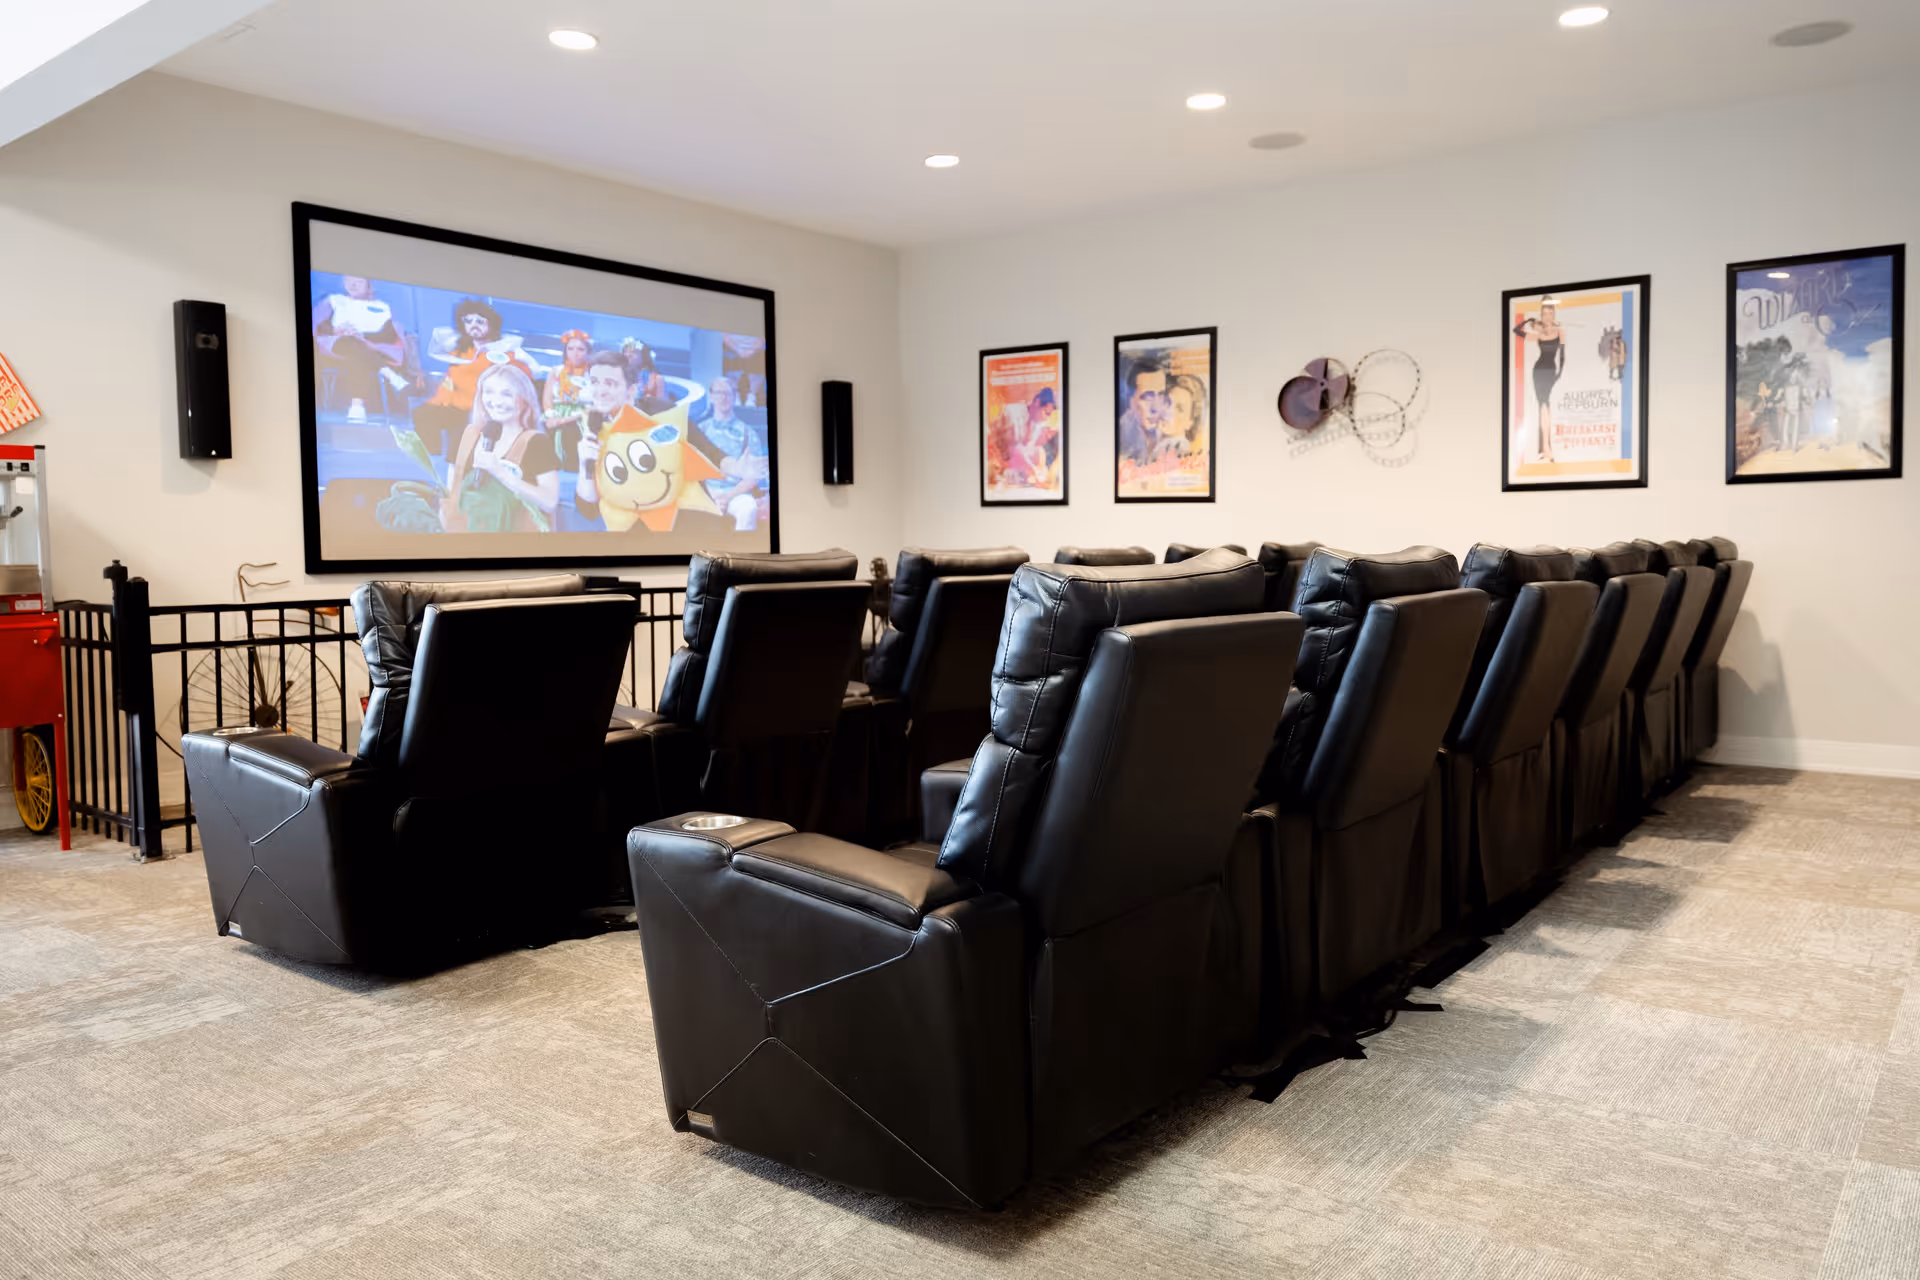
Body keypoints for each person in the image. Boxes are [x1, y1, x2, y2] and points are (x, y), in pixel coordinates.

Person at [572, 351, 730, 534]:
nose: (600, 391)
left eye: (610, 383)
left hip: (684, 530)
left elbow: (709, 451)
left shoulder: (660, 412)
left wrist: (739, 467)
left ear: (630, 390)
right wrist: (585, 466)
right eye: (595, 382)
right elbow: (588, 510)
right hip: (633, 536)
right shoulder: (593, 426)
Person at [440, 364, 560, 533]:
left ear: (524, 400)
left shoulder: (537, 443)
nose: (496, 401)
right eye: (488, 392)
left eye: (506, 394)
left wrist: (500, 473)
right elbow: (451, 492)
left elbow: (550, 502)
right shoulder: (463, 435)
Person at [412, 298, 532, 457]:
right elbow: (449, 381)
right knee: (423, 413)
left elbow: (523, 379)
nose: (473, 324)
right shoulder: (459, 352)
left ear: (491, 324)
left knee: (462, 434)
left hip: (485, 411)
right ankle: (433, 460)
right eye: (468, 321)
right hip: (455, 406)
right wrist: (440, 401)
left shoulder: (504, 351)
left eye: (480, 321)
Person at [312, 276, 406, 424]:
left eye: (359, 281)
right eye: (348, 280)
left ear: (369, 285)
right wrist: (336, 330)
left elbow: (388, 335)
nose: (353, 284)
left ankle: (357, 405)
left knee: (359, 351)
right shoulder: (334, 300)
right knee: (353, 344)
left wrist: (362, 335)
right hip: (339, 342)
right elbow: (317, 324)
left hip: (368, 346)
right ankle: (385, 370)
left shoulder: (382, 307)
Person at [699, 376, 770, 530]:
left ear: (734, 397)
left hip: (736, 493)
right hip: (705, 491)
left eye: (728, 393)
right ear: (711, 397)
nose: (723, 397)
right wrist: (710, 495)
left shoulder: (747, 433)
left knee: (748, 508)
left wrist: (727, 497)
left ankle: (744, 552)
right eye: (719, 393)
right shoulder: (700, 430)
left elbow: (753, 476)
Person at [1513, 302, 1566, 463]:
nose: (1547, 317)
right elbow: (1517, 331)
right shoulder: (1539, 335)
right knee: (1543, 405)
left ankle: (1546, 448)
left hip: (1551, 370)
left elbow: (1562, 356)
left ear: (1553, 315)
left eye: (1550, 314)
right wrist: (1528, 320)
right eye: (1544, 314)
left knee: (1546, 405)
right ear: (1541, 317)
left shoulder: (1560, 332)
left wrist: (1559, 374)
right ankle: (1545, 449)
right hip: (1538, 371)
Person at [1117, 359, 1169, 464]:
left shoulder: (1167, 432)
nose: (1156, 407)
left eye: (1161, 394)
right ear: (1130, 400)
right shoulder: (1120, 437)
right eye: (1147, 396)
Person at [542, 329, 593, 417]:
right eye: (570, 349)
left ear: (588, 352)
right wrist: (550, 415)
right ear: (565, 352)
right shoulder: (556, 371)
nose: (575, 353)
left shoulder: (593, 374)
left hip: (585, 418)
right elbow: (547, 399)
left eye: (580, 349)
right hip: (555, 416)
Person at [1161, 373, 1207, 459]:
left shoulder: (1181, 451)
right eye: (1168, 402)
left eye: (1179, 409)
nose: (1169, 411)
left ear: (1190, 422)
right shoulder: (1160, 444)